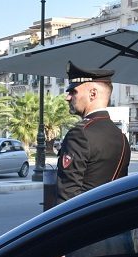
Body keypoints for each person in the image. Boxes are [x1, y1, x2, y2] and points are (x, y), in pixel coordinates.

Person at [55, 62, 131, 205]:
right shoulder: (121, 138)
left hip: (83, 222)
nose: (68, 97)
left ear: (93, 94)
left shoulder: (80, 134)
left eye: (73, 91)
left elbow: (67, 197)